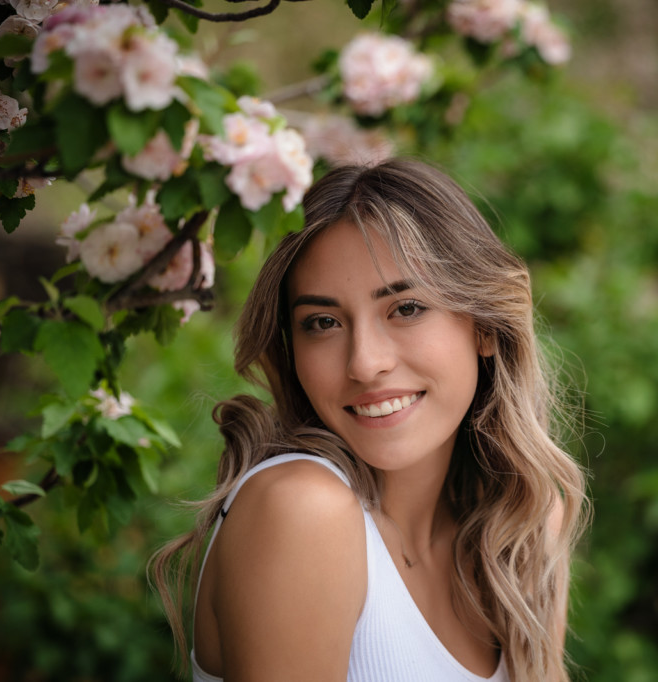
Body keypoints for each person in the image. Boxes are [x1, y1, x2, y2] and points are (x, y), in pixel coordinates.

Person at [150, 158, 589, 681]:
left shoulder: (524, 523)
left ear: (485, 327)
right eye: (323, 322)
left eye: (405, 308)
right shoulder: (302, 511)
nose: (364, 362)